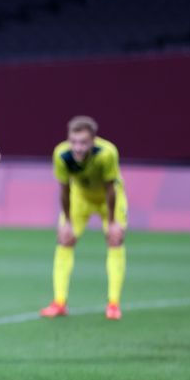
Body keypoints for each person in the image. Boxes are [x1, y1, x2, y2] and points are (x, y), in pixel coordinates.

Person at [40, 116, 127, 320]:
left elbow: (110, 189)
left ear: (93, 140)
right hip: (80, 199)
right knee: (64, 241)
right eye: (74, 142)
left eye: (83, 142)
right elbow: (64, 190)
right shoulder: (62, 155)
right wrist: (67, 223)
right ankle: (59, 302)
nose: (78, 148)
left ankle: (113, 304)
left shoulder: (107, 154)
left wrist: (113, 223)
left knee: (115, 241)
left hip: (108, 201)